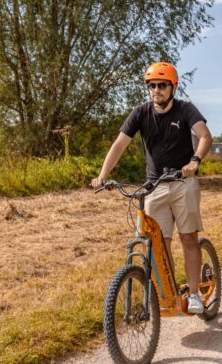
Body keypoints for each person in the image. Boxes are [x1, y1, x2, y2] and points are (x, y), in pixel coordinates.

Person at [91, 62, 213, 314]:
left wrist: (195, 161)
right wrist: (103, 175)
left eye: (162, 85)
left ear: (172, 87)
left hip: (182, 182)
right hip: (154, 186)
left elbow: (204, 136)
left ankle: (193, 294)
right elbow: (119, 144)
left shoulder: (185, 109)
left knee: (188, 237)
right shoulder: (140, 113)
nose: (156, 90)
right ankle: (168, 294)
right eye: (151, 85)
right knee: (159, 244)